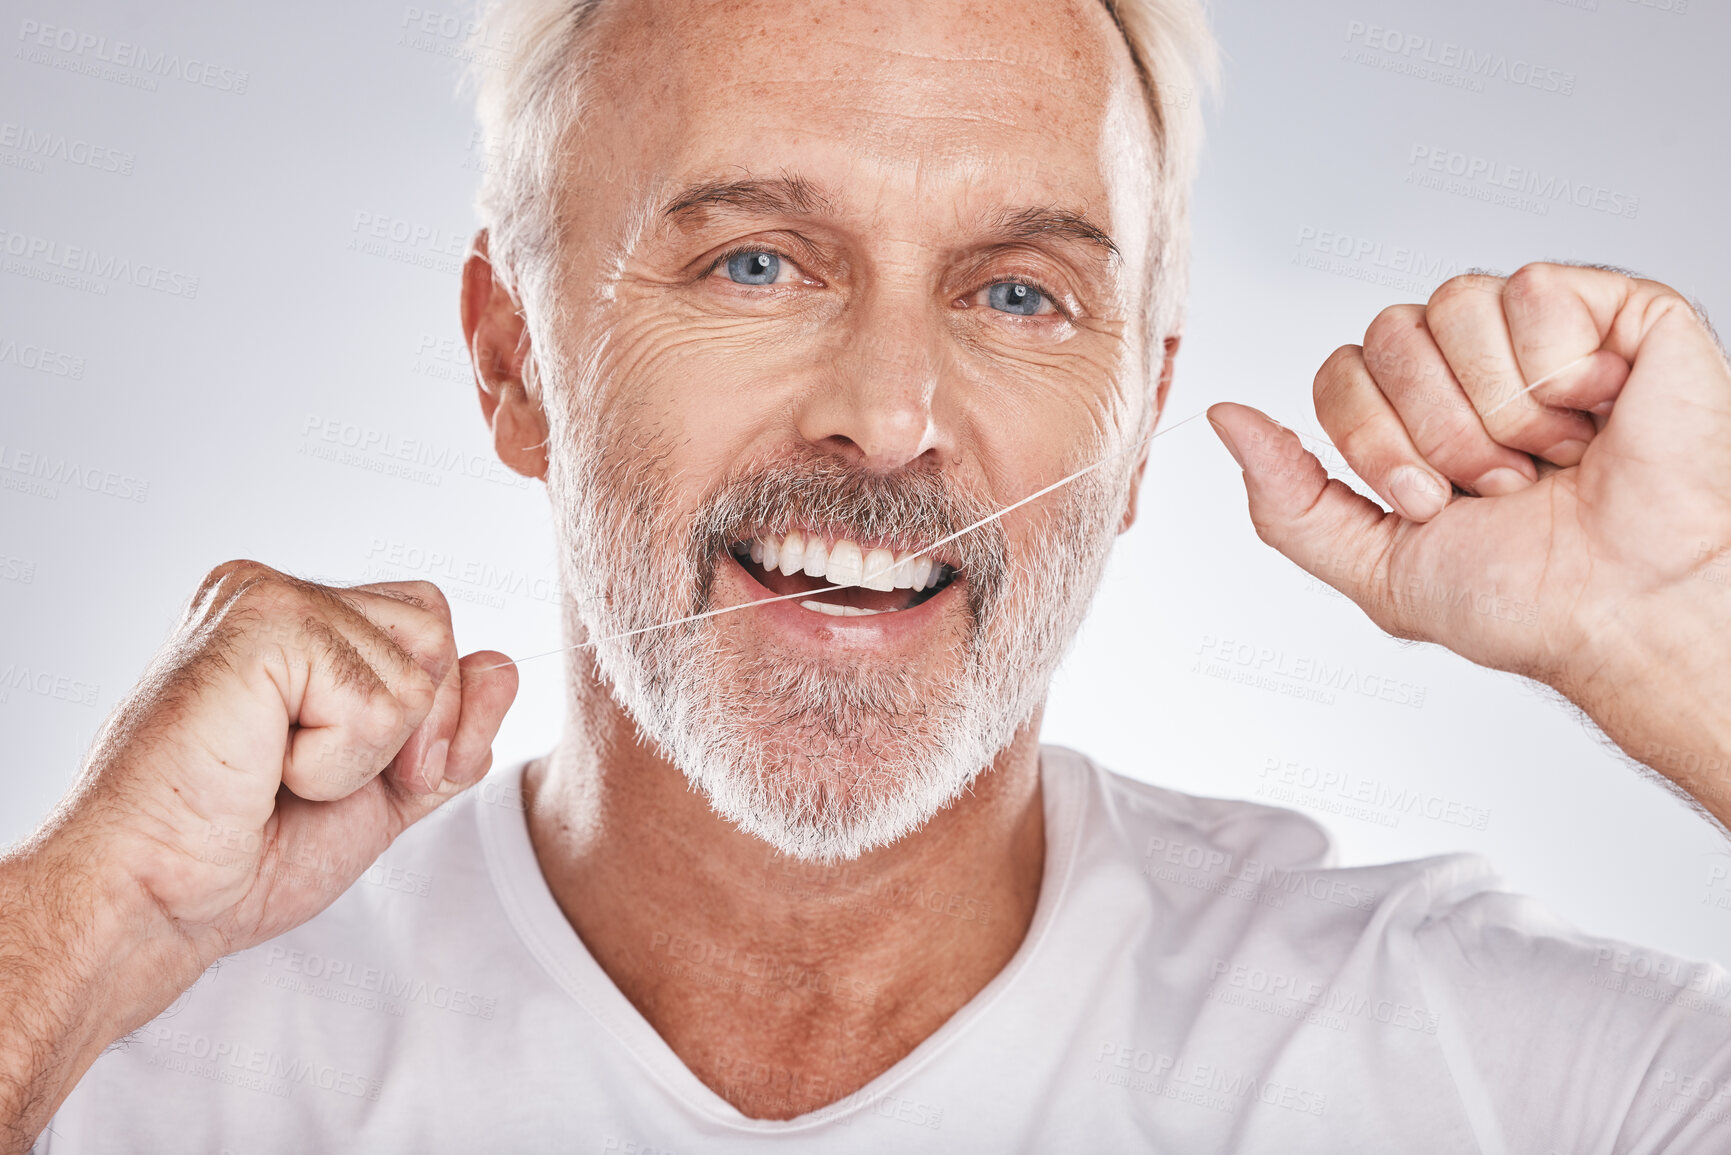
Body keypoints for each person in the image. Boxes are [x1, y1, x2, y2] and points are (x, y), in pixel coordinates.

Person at [6, 0, 1731, 1150]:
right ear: (513, 361)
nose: (892, 420)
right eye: (759, 260)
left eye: (1016, 293)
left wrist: (1686, 651)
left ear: (1137, 421)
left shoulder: (1469, 1075)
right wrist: (90, 924)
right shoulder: (120, 1043)